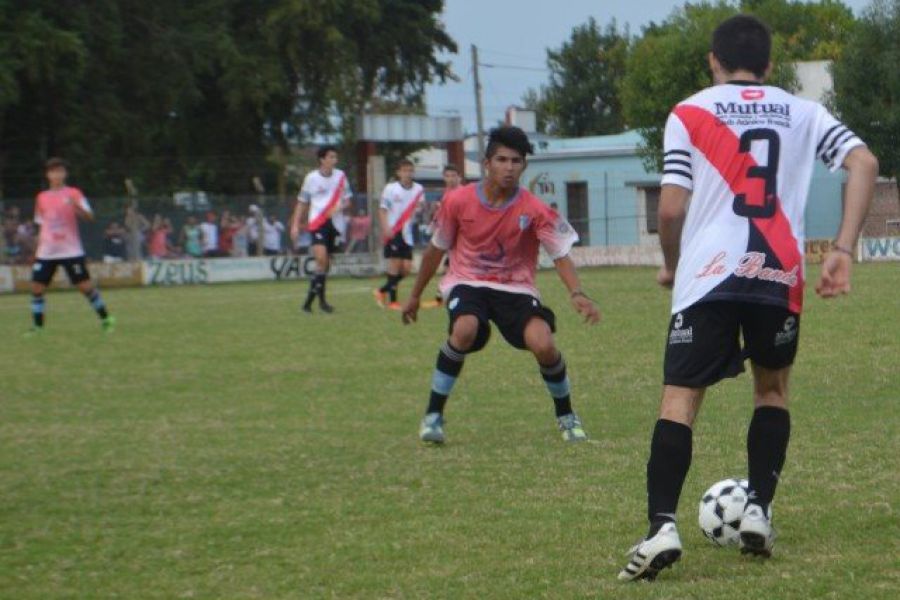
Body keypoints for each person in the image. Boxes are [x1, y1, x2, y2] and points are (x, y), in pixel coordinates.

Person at [617, 15, 878, 582]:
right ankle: (758, 508)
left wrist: (670, 264)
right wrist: (842, 249)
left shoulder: (690, 111)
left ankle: (662, 524)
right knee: (772, 390)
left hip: (708, 276)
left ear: (713, 60)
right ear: (768, 63)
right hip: (777, 272)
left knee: (679, 400)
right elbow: (865, 162)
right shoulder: (802, 112)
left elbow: (669, 208)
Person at [401, 126, 600, 445]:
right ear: (487, 163)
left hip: (516, 289)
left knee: (544, 344)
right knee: (465, 329)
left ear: (524, 166)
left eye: (516, 161)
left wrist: (576, 293)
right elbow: (436, 249)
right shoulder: (457, 201)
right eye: (502, 160)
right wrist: (413, 296)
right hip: (467, 282)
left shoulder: (534, 208)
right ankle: (433, 416)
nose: (509, 168)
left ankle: (567, 417)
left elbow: (560, 254)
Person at [27, 158, 116, 334]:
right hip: (46, 252)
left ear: (65, 174)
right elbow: (41, 224)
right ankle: (37, 327)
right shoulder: (41, 197)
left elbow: (90, 217)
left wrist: (78, 208)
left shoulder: (74, 193)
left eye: (60, 171)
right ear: (48, 175)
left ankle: (106, 318)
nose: (57, 174)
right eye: (53, 171)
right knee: (37, 289)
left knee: (85, 287)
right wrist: (35, 251)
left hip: (70, 250)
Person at [290, 146, 353, 313]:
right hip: (318, 223)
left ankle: (311, 304)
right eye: (331, 157)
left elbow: (348, 200)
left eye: (335, 157)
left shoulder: (341, 176)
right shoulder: (311, 178)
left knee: (325, 265)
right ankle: (318, 303)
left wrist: (339, 206)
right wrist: (295, 225)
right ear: (322, 159)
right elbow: (302, 202)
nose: (335, 160)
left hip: (336, 225)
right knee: (321, 259)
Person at [374, 159, 425, 310]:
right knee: (395, 264)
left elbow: (419, 207)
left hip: (407, 233)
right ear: (398, 173)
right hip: (394, 230)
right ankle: (393, 301)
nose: (407, 174)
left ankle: (381, 291)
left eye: (410, 170)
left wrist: (420, 209)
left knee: (407, 268)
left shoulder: (418, 189)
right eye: (404, 171)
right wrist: (385, 228)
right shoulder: (391, 189)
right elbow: (382, 210)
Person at [422, 163, 463, 309]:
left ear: (460, 177)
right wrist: (433, 225)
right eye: (448, 176)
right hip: (450, 238)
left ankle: (442, 296)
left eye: (454, 176)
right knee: (450, 266)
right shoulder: (446, 194)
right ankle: (442, 295)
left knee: (452, 266)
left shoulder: (464, 193)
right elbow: (443, 214)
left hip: (463, 238)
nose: (451, 179)